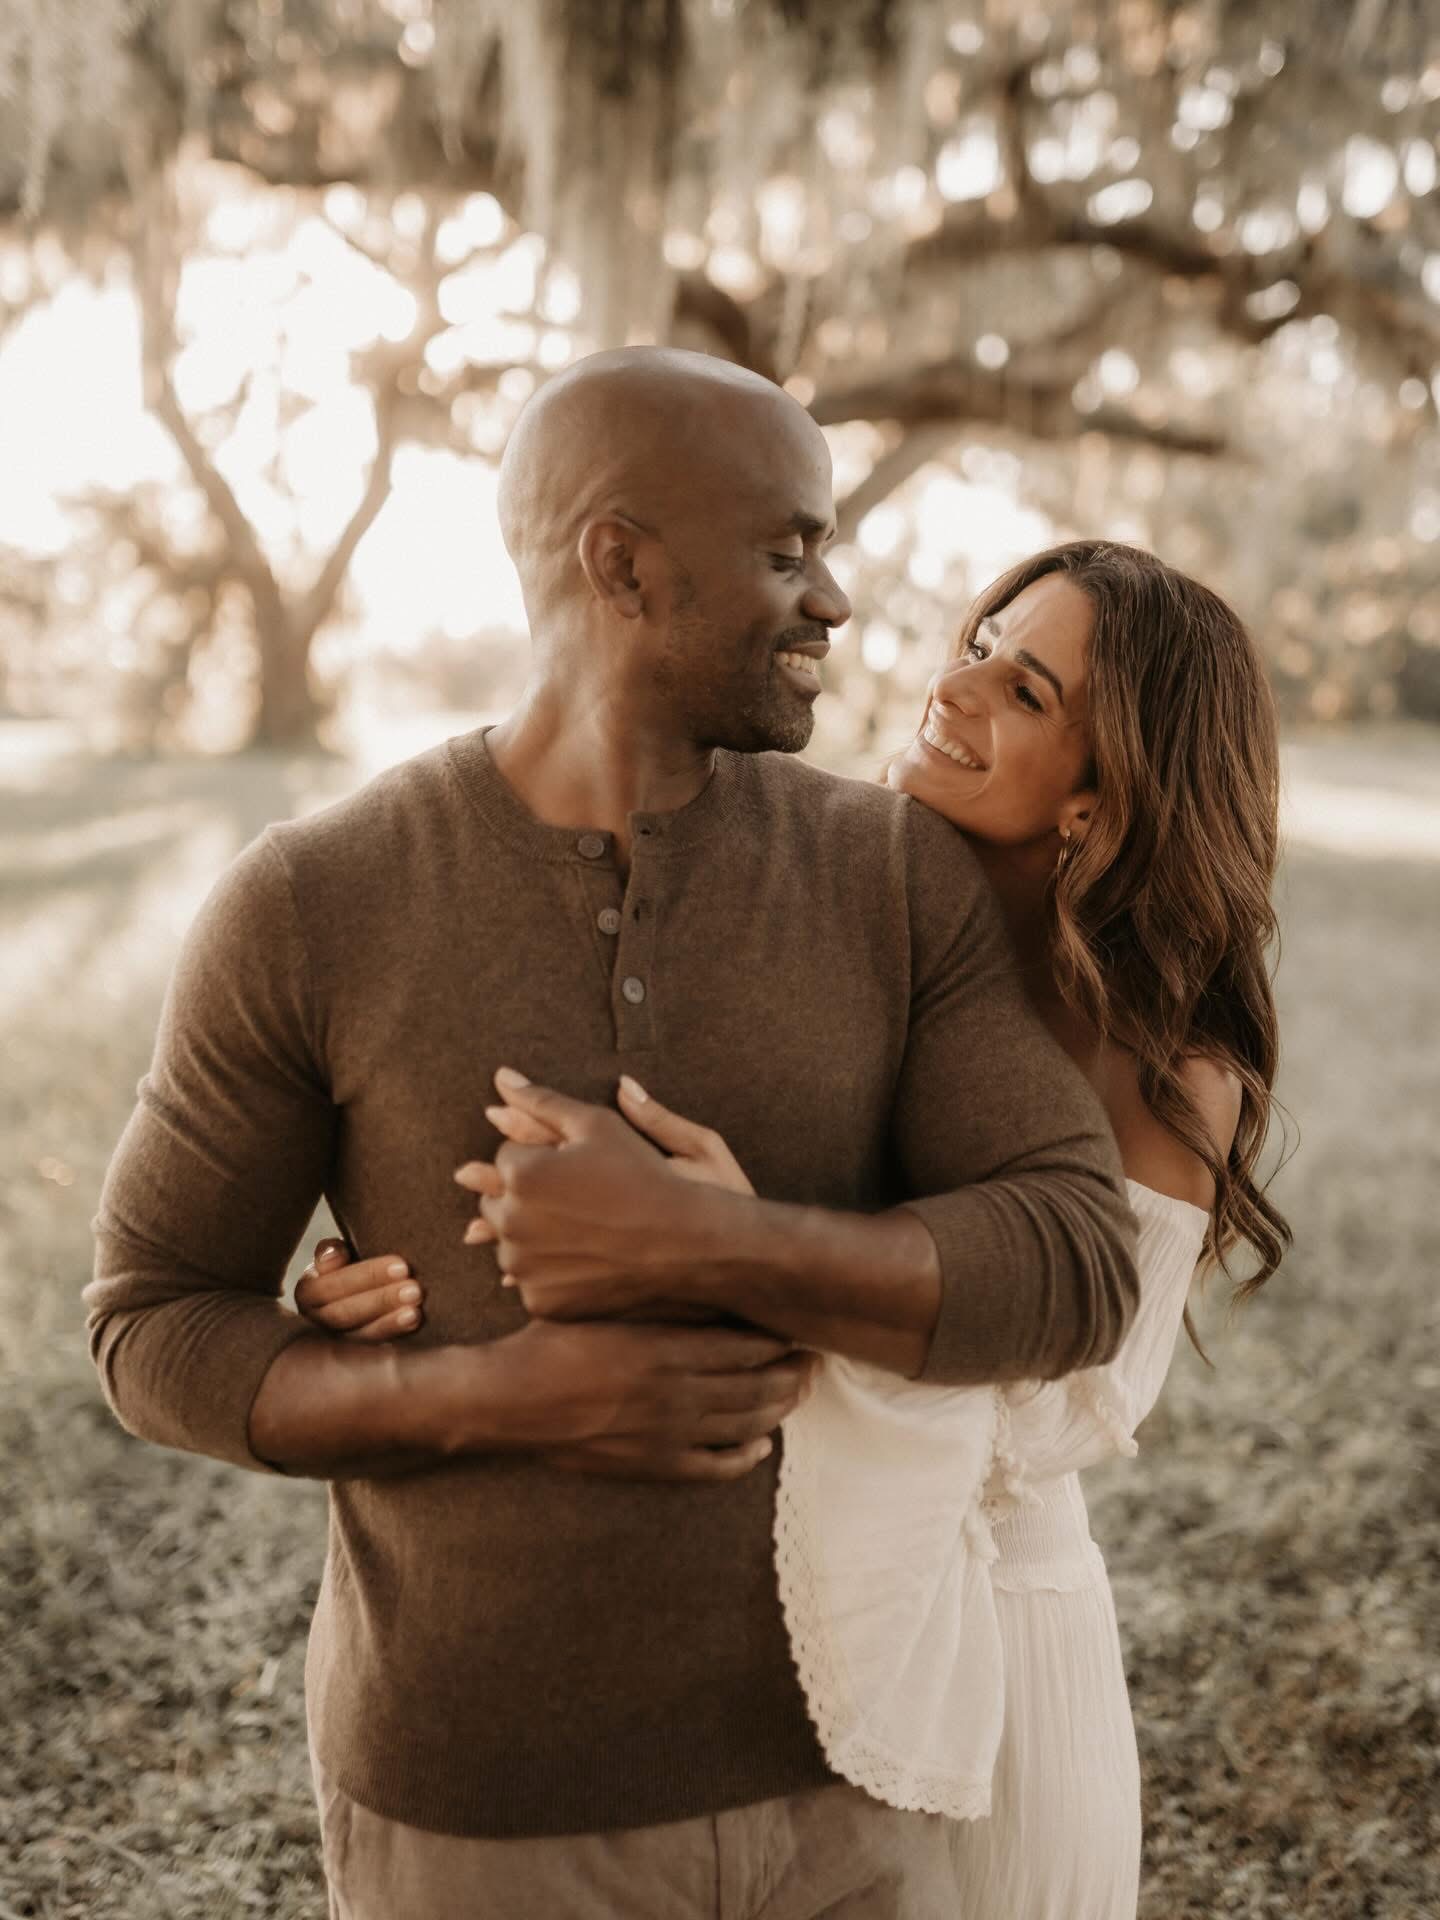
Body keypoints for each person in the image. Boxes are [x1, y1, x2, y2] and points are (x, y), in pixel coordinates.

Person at [85, 351, 1138, 1920]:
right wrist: (490, 1395)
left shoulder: (893, 877)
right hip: (480, 1809)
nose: (837, 600)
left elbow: (1074, 1255)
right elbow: (151, 1325)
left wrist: (710, 1238)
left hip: (855, 1782)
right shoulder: (314, 899)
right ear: (622, 564)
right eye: (788, 552)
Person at [305, 539, 1290, 1917]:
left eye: (1023, 690)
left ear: (1102, 793)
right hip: (745, 1639)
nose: (955, 687)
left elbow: (1061, 1408)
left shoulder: (1165, 1063)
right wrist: (400, 1279)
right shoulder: (839, 914)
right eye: (975, 643)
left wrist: (734, 1258)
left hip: (988, 1630)